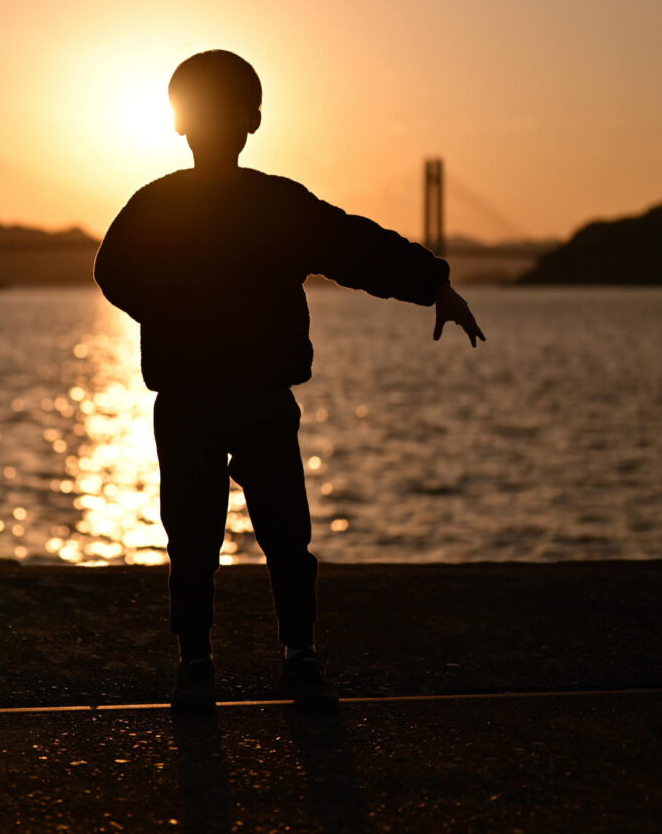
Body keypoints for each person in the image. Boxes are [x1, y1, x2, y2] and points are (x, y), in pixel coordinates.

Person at [93, 50, 484, 711]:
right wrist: (433, 283)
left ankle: (196, 663)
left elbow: (111, 271)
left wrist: (169, 313)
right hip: (261, 394)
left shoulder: (155, 205)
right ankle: (297, 656)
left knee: (191, 537)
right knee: (284, 533)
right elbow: (357, 248)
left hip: (188, 398)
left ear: (177, 122)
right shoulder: (277, 204)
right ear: (253, 121)